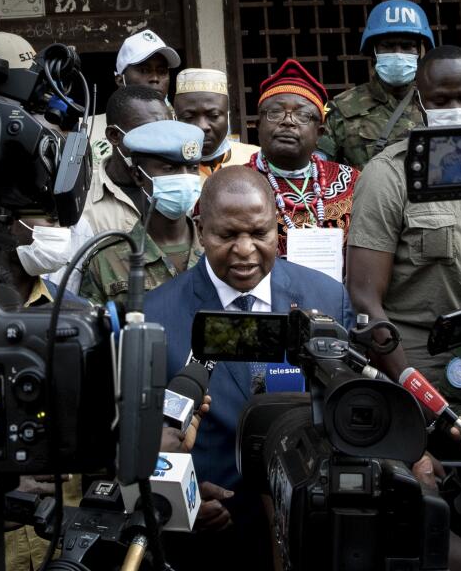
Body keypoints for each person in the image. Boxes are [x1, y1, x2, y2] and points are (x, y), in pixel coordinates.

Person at [143, 166, 352, 570]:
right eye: (227, 235)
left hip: (311, 528)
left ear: (278, 228)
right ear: (201, 230)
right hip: (213, 539)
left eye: (259, 234)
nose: (244, 250)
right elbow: (142, 436)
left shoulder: (326, 296)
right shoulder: (155, 315)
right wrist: (181, 500)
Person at [346, 46, 461, 410]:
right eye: (441, 100)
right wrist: (411, 387)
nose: (455, 109)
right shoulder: (389, 174)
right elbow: (364, 297)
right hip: (426, 364)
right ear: (420, 101)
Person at [79, 120, 204, 306]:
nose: (184, 178)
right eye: (170, 168)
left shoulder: (218, 247)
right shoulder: (107, 259)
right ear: (138, 175)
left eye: (193, 168)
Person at [247, 59, 359, 259]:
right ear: (258, 125)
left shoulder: (352, 182)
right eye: (275, 112)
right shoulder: (234, 183)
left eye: (302, 115)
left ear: (320, 132)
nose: (288, 121)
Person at [318, 0, 432, 168]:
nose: (398, 54)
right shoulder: (341, 109)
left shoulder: (438, 102)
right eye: (388, 46)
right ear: (373, 51)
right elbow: (319, 171)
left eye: (407, 47)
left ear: (421, 52)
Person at [80, 84, 171, 237]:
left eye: (167, 131)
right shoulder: (82, 203)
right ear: (114, 135)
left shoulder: (179, 189)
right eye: (149, 132)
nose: (161, 142)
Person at [173, 68, 257, 178]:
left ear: (227, 117)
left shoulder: (255, 160)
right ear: (175, 120)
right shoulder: (166, 169)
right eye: (189, 117)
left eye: (214, 116)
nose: (202, 126)